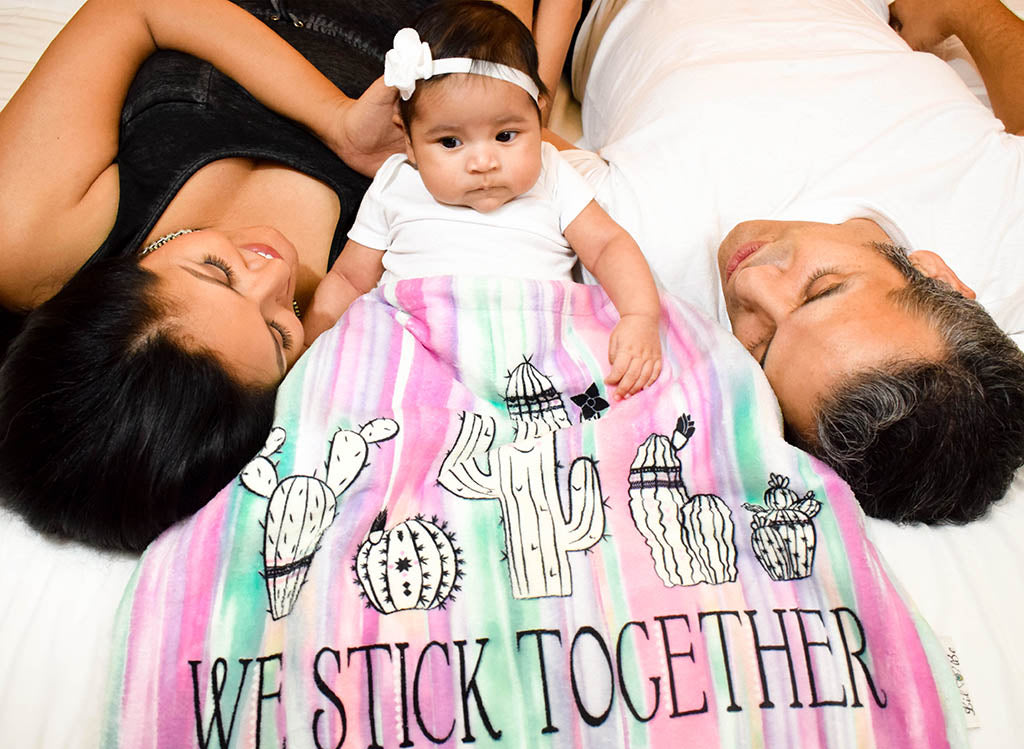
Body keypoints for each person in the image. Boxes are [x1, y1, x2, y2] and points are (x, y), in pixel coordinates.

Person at [552, 0, 1024, 524]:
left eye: (762, 345)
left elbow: (509, 141)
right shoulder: (1000, 229)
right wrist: (966, 9)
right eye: (822, 289)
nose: (752, 282)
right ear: (937, 274)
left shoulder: (639, 258)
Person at [0, 0, 434, 551]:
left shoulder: (27, 243)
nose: (275, 276)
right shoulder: (357, 321)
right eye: (278, 334)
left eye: (216, 271)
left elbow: (136, 9)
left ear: (117, 280)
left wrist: (338, 122)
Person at [303, 0, 662, 399]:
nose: (483, 162)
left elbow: (607, 245)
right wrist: (315, 355)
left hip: (534, 353)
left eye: (506, 135)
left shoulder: (553, 171)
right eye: (450, 142)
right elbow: (349, 278)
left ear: (539, 115)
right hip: (417, 355)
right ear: (407, 140)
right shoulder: (397, 182)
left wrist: (639, 315)